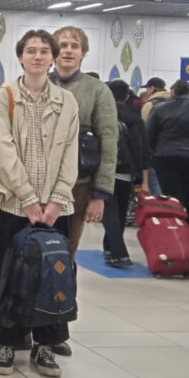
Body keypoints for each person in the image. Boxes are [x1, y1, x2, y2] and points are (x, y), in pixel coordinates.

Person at [0, 29, 79, 378]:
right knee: (11, 274)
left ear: (53, 58)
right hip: (15, 204)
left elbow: (71, 150)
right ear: (20, 56)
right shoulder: (3, 98)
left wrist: (56, 198)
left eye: (44, 51)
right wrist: (25, 195)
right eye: (30, 51)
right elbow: (0, 149)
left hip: (56, 207)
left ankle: (45, 346)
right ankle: (7, 341)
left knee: (54, 275)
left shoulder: (67, 102)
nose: (37, 56)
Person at [49, 28, 119, 333]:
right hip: (34, 187)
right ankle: (24, 324)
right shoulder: (38, 83)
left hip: (78, 187)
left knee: (65, 256)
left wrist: (100, 194)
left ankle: (57, 325)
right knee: (30, 253)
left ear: (83, 52)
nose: (67, 50)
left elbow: (109, 141)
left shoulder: (98, 91)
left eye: (74, 46)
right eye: (62, 45)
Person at [146, 79, 189, 219]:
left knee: (168, 193)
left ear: (172, 91)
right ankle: (184, 220)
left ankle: (172, 221)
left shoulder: (159, 109)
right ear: (188, 92)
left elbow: (148, 135)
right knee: (187, 191)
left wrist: (151, 153)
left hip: (164, 156)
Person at [107, 80, 148, 264]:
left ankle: (117, 251)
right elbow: (142, 147)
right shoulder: (135, 116)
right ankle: (109, 248)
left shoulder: (105, 114)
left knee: (109, 211)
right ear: (126, 96)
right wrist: (141, 175)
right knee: (121, 211)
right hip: (127, 171)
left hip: (106, 170)